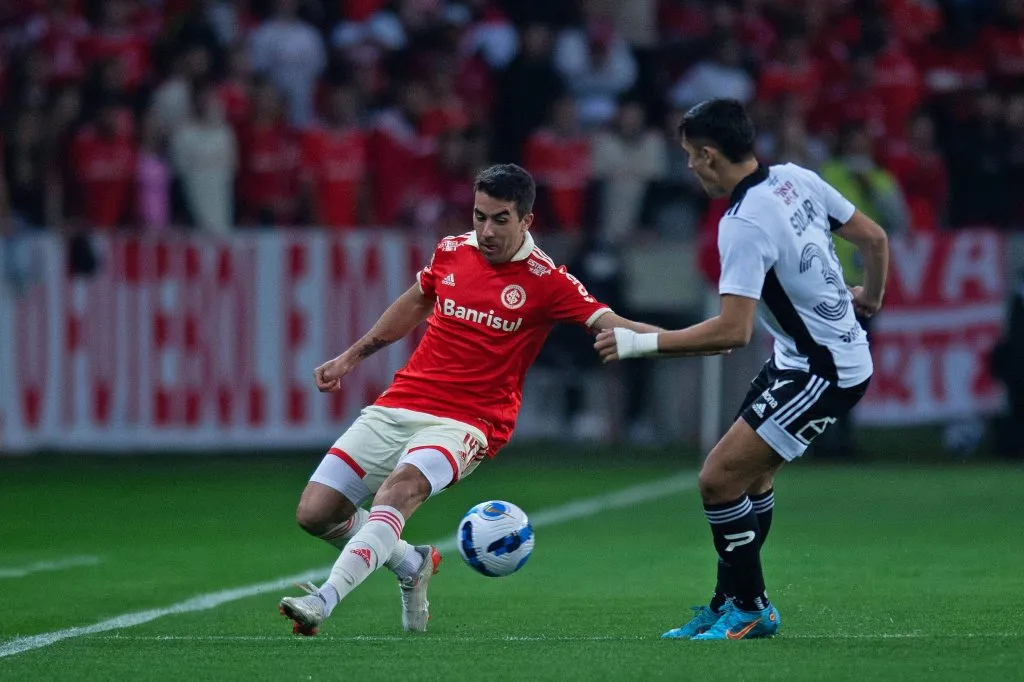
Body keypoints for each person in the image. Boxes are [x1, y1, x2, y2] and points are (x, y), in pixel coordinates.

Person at [278, 163, 661, 635]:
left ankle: (324, 599)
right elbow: (416, 301)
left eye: (500, 219)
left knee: (398, 491)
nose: (485, 230)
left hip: (468, 423)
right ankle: (410, 562)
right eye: (479, 216)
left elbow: (612, 322)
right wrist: (350, 357)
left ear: (527, 221)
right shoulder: (452, 250)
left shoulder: (548, 281)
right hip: (402, 400)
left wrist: (684, 339)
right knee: (316, 514)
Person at [595, 99, 889, 640]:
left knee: (717, 480)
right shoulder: (797, 178)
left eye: (689, 156)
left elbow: (733, 331)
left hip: (824, 372)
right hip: (802, 358)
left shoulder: (743, 222)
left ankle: (752, 608)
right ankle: (729, 599)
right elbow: (874, 238)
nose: (687, 167)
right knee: (748, 476)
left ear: (710, 156)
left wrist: (641, 344)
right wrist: (868, 296)